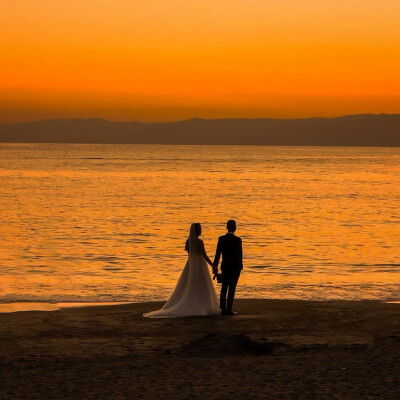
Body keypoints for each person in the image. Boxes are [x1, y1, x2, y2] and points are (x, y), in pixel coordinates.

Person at [143, 223, 219, 318]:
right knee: (202, 285)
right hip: (200, 265)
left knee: (191, 285)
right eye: (199, 229)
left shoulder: (189, 241)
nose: (201, 231)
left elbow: (191, 255)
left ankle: (194, 303)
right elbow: (204, 255)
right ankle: (202, 304)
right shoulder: (199, 242)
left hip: (190, 265)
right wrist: (213, 265)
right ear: (197, 231)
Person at [213, 220, 243, 315]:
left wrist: (215, 266)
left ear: (227, 227)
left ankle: (222, 308)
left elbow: (217, 254)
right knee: (232, 288)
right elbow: (239, 255)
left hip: (225, 266)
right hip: (235, 267)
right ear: (235, 228)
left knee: (224, 287)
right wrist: (240, 266)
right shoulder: (238, 240)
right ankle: (229, 309)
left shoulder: (221, 239)